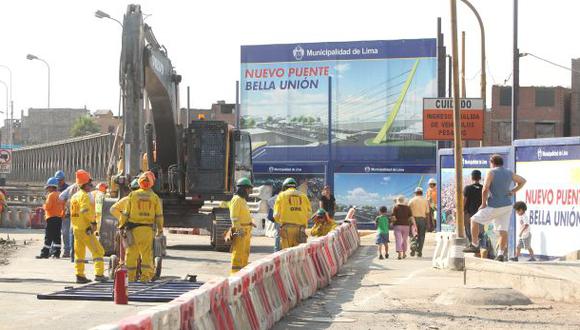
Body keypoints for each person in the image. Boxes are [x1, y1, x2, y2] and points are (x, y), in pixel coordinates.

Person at [463, 154, 527, 262]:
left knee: (474, 220)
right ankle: (500, 254)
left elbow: (485, 188)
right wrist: (513, 191)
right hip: (507, 205)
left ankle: (474, 244)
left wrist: (483, 204)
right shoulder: (508, 172)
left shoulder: (491, 172)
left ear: (492, 162)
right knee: (503, 230)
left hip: (494, 205)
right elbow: (523, 181)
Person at [119, 171, 164, 282]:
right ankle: (145, 278)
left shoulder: (132, 195)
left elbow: (125, 213)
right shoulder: (154, 197)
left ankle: (130, 278)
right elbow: (159, 216)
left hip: (133, 229)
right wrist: (160, 229)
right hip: (147, 230)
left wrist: (121, 225)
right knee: (146, 254)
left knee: (131, 254)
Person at [70, 170, 107, 283]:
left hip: (76, 229)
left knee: (79, 254)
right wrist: (93, 222)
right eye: (90, 184)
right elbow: (85, 210)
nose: (91, 187)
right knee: (98, 251)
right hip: (85, 229)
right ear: (84, 185)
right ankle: (99, 274)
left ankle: (79, 275)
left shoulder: (74, 196)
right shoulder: (84, 196)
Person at [274, 177, 311, 249]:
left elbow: (276, 215)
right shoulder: (304, 196)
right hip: (300, 230)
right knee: (299, 255)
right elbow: (309, 214)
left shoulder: (281, 195)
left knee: (286, 254)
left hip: (286, 230)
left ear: (284, 187)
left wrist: (280, 223)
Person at [228, 177, 254, 274]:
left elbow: (243, 214)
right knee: (238, 252)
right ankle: (235, 274)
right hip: (240, 230)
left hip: (246, 230)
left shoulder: (242, 200)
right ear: (243, 189)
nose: (249, 191)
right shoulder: (237, 199)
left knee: (245, 253)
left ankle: (242, 273)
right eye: (248, 189)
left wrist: (250, 223)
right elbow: (234, 217)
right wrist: (239, 230)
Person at [37, 177, 64, 259]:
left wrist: (43, 205)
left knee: (48, 236)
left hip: (51, 218)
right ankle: (56, 253)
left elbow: (48, 207)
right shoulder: (60, 194)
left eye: (48, 187)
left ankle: (44, 253)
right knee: (57, 236)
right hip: (59, 218)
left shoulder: (51, 195)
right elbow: (63, 206)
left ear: (52, 187)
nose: (47, 189)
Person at [391, 196, 415, 260]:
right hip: (406, 226)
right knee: (404, 240)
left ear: (398, 200)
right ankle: (404, 254)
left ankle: (399, 255)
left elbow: (393, 217)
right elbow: (411, 217)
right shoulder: (408, 207)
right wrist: (414, 225)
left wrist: (392, 223)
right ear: (404, 200)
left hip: (397, 225)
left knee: (398, 240)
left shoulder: (395, 207)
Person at [408, 187, 430, 257]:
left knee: (413, 234)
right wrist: (428, 223)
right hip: (422, 220)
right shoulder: (425, 200)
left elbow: (408, 212)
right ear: (422, 193)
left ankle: (413, 245)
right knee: (422, 236)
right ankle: (419, 251)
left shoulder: (411, 200)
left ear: (415, 193)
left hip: (413, 219)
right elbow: (427, 213)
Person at [463, 170, 484, 245]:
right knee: (480, 232)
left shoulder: (468, 188)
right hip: (480, 213)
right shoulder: (483, 188)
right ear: (480, 178)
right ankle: (479, 246)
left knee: (469, 230)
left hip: (469, 213)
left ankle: (473, 245)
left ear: (472, 177)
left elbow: (464, 201)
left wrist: (462, 211)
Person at [54, 170, 72, 258]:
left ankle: (67, 251)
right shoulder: (53, 188)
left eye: (60, 180)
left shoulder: (68, 189)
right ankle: (54, 250)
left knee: (66, 233)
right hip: (55, 214)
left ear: (64, 179)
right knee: (55, 233)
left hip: (65, 214)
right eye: (57, 180)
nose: (59, 182)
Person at [267, 184, 282, 252]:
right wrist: (274, 207)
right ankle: (277, 249)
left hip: (277, 218)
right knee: (279, 235)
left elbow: (269, 201)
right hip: (280, 218)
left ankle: (277, 249)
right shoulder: (279, 197)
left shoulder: (279, 197)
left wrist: (273, 208)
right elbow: (269, 201)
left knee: (278, 234)